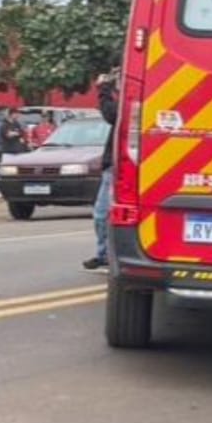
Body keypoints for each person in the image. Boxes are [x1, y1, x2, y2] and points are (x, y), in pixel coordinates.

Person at [83, 70, 120, 272]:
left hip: (120, 166)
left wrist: (104, 89)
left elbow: (111, 113)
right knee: (101, 214)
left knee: (106, 212)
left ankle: (108, 254)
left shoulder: (130, 103)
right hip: (112, 165)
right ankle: (103, 254)